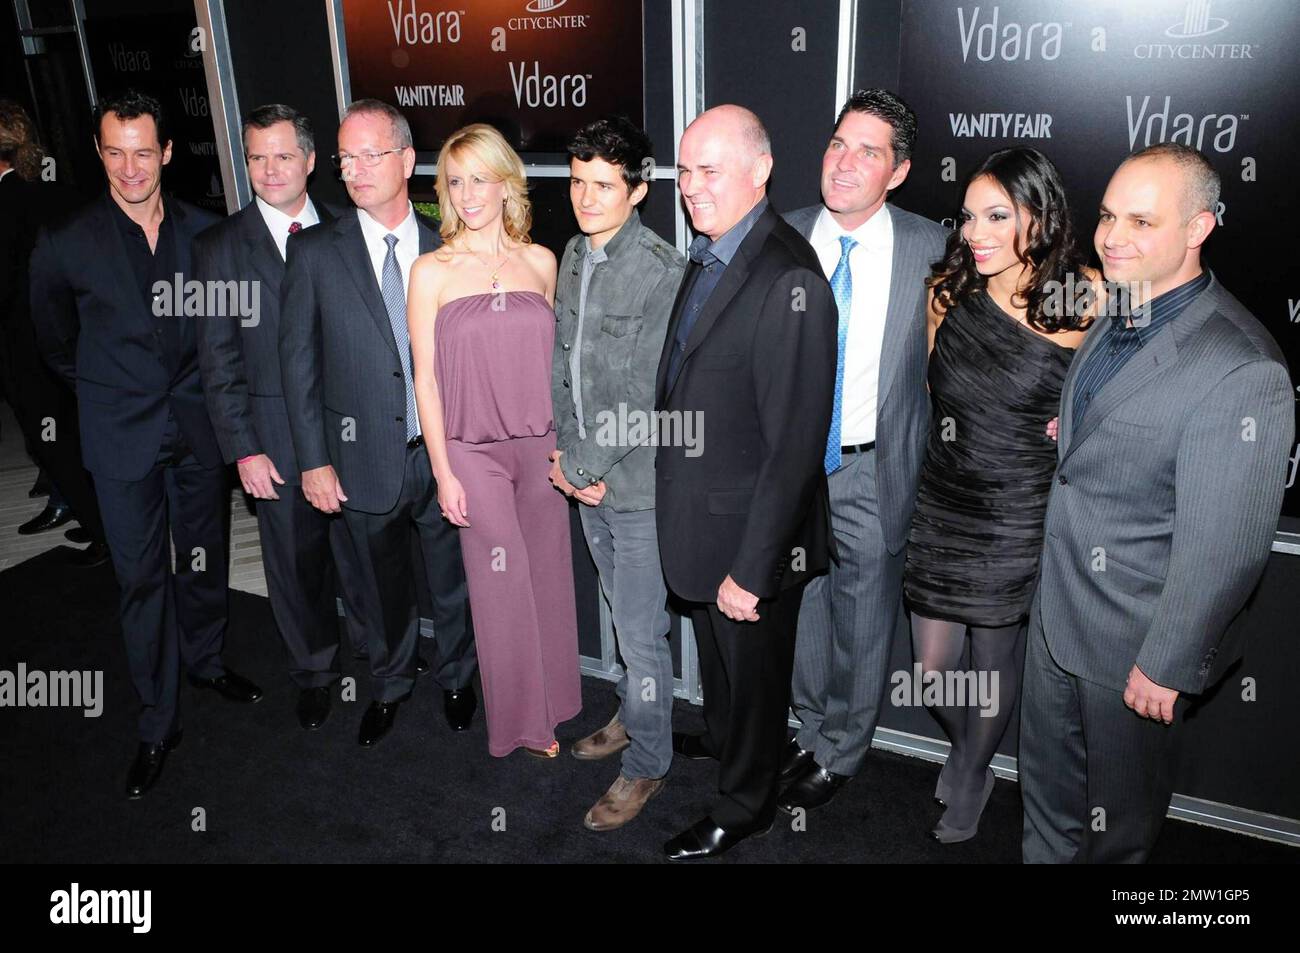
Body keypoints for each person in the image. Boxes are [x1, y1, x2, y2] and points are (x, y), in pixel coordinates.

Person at [1020, 142, 1293, 863]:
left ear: (1199, 228)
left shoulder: (1241, 366)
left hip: (1134, 647)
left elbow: (1228, 542)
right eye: (1109, 216)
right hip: (1056, 612)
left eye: (1141, 221)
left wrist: (1168, 662)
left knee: (1116, 835)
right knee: (1047, 806)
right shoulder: (1119, 304)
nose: (1112, 237)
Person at [29, 89, 262, 799]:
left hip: (196, 429)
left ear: (165, 152)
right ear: (99, 153)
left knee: (203, 555)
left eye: (143, 151)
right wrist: (110, 389)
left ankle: (206, 659)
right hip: (120, 435)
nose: (130, 167)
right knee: (139, 578)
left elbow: (228, 331)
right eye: (114, 152)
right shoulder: (65, 241)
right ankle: (158, 718)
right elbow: (53, 342)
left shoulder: (206, 232)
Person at [656, 105, 837, 860]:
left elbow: (795, 447)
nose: (692, 186)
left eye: (711, 169)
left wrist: (751, 568)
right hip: (702, 519)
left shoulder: (788, 276)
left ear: (760, 171)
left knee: (756, 682)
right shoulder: (712, 250)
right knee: (727, 677)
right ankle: (731, 746)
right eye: (686, 169)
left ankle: (748, 805)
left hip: (751, 541)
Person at [904, 147, 1092, 843]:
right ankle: (971, 749)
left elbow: (1129, 385)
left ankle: (976, 768)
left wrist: (1074, 420)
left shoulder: (1086, 297)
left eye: (997, 216)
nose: (975, 233)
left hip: (1016, 508)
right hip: (945, 498)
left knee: (994, 657)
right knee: (930, 671)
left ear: (1038, 217)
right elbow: (934, 390)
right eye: (969, 217)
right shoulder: (947, 293)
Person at [279, 99, 477, 747]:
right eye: (345, 158)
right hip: (359, 455)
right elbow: (298, 364)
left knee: (452, 578)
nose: (355, 170)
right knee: (380, 586)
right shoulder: (313, 251)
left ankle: (457, 677)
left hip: (440, 453)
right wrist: (312, 459)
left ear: (407, 159)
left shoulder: (447, 241)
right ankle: (390, 684)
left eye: (371, 154)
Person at [780, 89, 949, 814]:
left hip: (873, 464)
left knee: (863, 613)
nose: (845, 163)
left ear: (899, 170)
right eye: (838, 143)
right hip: (788, 467)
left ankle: (844, 749)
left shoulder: (932, 249)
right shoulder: (779, 236)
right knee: (803, 604)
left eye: (869, 152)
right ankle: (808, 727)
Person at [194, 104, 371, 731]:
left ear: (311, 160)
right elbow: (216, 361)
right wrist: (244, 448)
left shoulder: (351, 227)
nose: (269, 170)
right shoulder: (217, 247)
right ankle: (316, 670)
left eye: (283, 156)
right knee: (295, 565)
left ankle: (380, 655)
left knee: (364, 554)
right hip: (273, 440)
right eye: (256, 157)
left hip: (353, 430)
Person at [407, 122, 580, 760]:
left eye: (481, 178)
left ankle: (558, 702)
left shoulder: (542, 261)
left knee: (548, 577)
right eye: (456, 181)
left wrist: (568, 448)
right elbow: (425, 379)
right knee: (500, 580)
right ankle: (522, 723)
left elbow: (557, 365)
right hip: (471, 453)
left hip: (541, 448)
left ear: (508, 183)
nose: (469, 193)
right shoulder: (430, 271)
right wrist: (443, 471)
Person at [549, 117, 684, 829]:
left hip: (635, 489)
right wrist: (572, 465)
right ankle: (633, 718)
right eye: (577, 181)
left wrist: (582, 465)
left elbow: (645, 396)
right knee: (621, 619)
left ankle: (649, 763)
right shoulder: (573, 251)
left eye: (603, 184)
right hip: (586, 482)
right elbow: (562, 365)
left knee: (640, 634)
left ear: (638, 189)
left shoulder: (663, 271)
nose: (586, 196)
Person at [0, 99, 106, 564]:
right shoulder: (53, 193)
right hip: (69, 340)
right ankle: (103, 524)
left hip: (26, 348)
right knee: (76, 438)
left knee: (55, 443)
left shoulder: (8, 203)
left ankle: (103, 535)